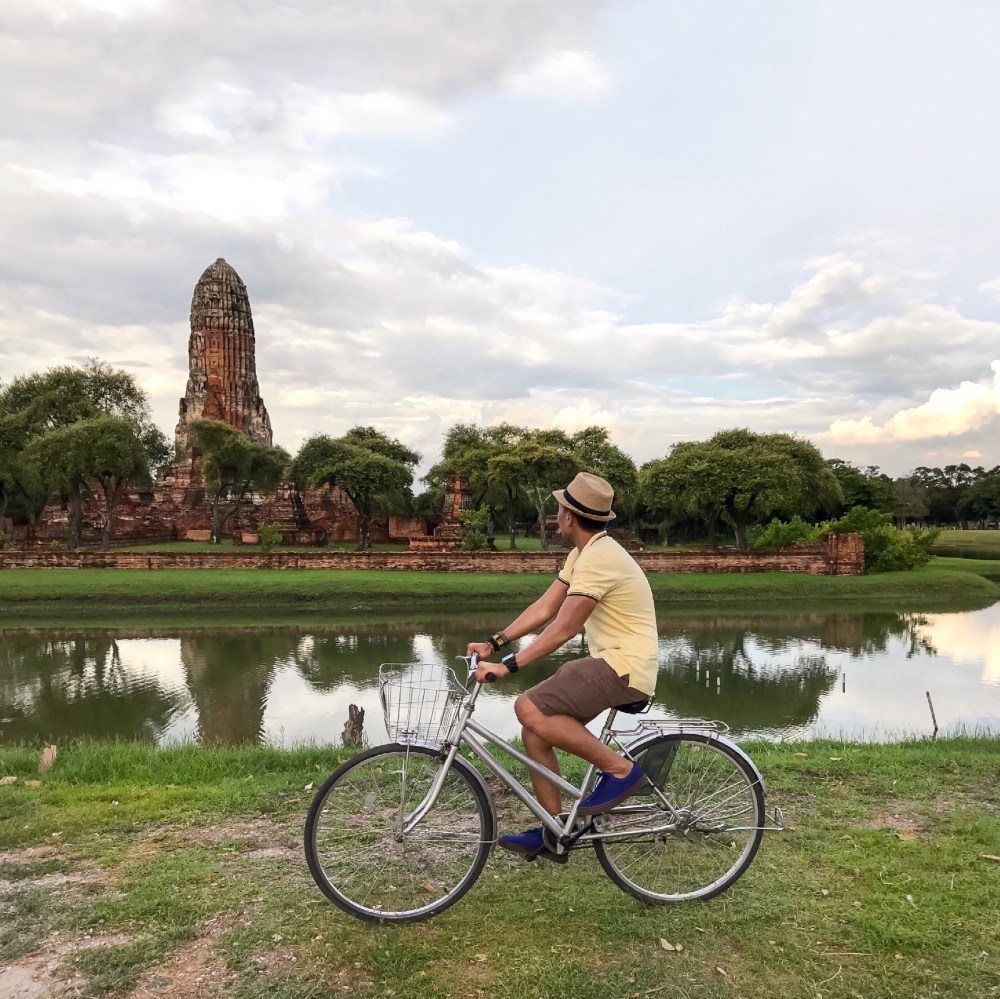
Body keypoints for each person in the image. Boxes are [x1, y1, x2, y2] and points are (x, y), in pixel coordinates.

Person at [466, 471, 659, 863]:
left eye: (558, 509)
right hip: (613, 662)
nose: (555, 516)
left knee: (527, 706)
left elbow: (564, 628)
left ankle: (621, 771)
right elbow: (544, 608)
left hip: (624, 666)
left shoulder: (599, 559)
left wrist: (507, 666)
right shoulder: (584, 554)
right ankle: (554, 831)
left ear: (569, 516)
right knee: (534, 730)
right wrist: (494, 642)